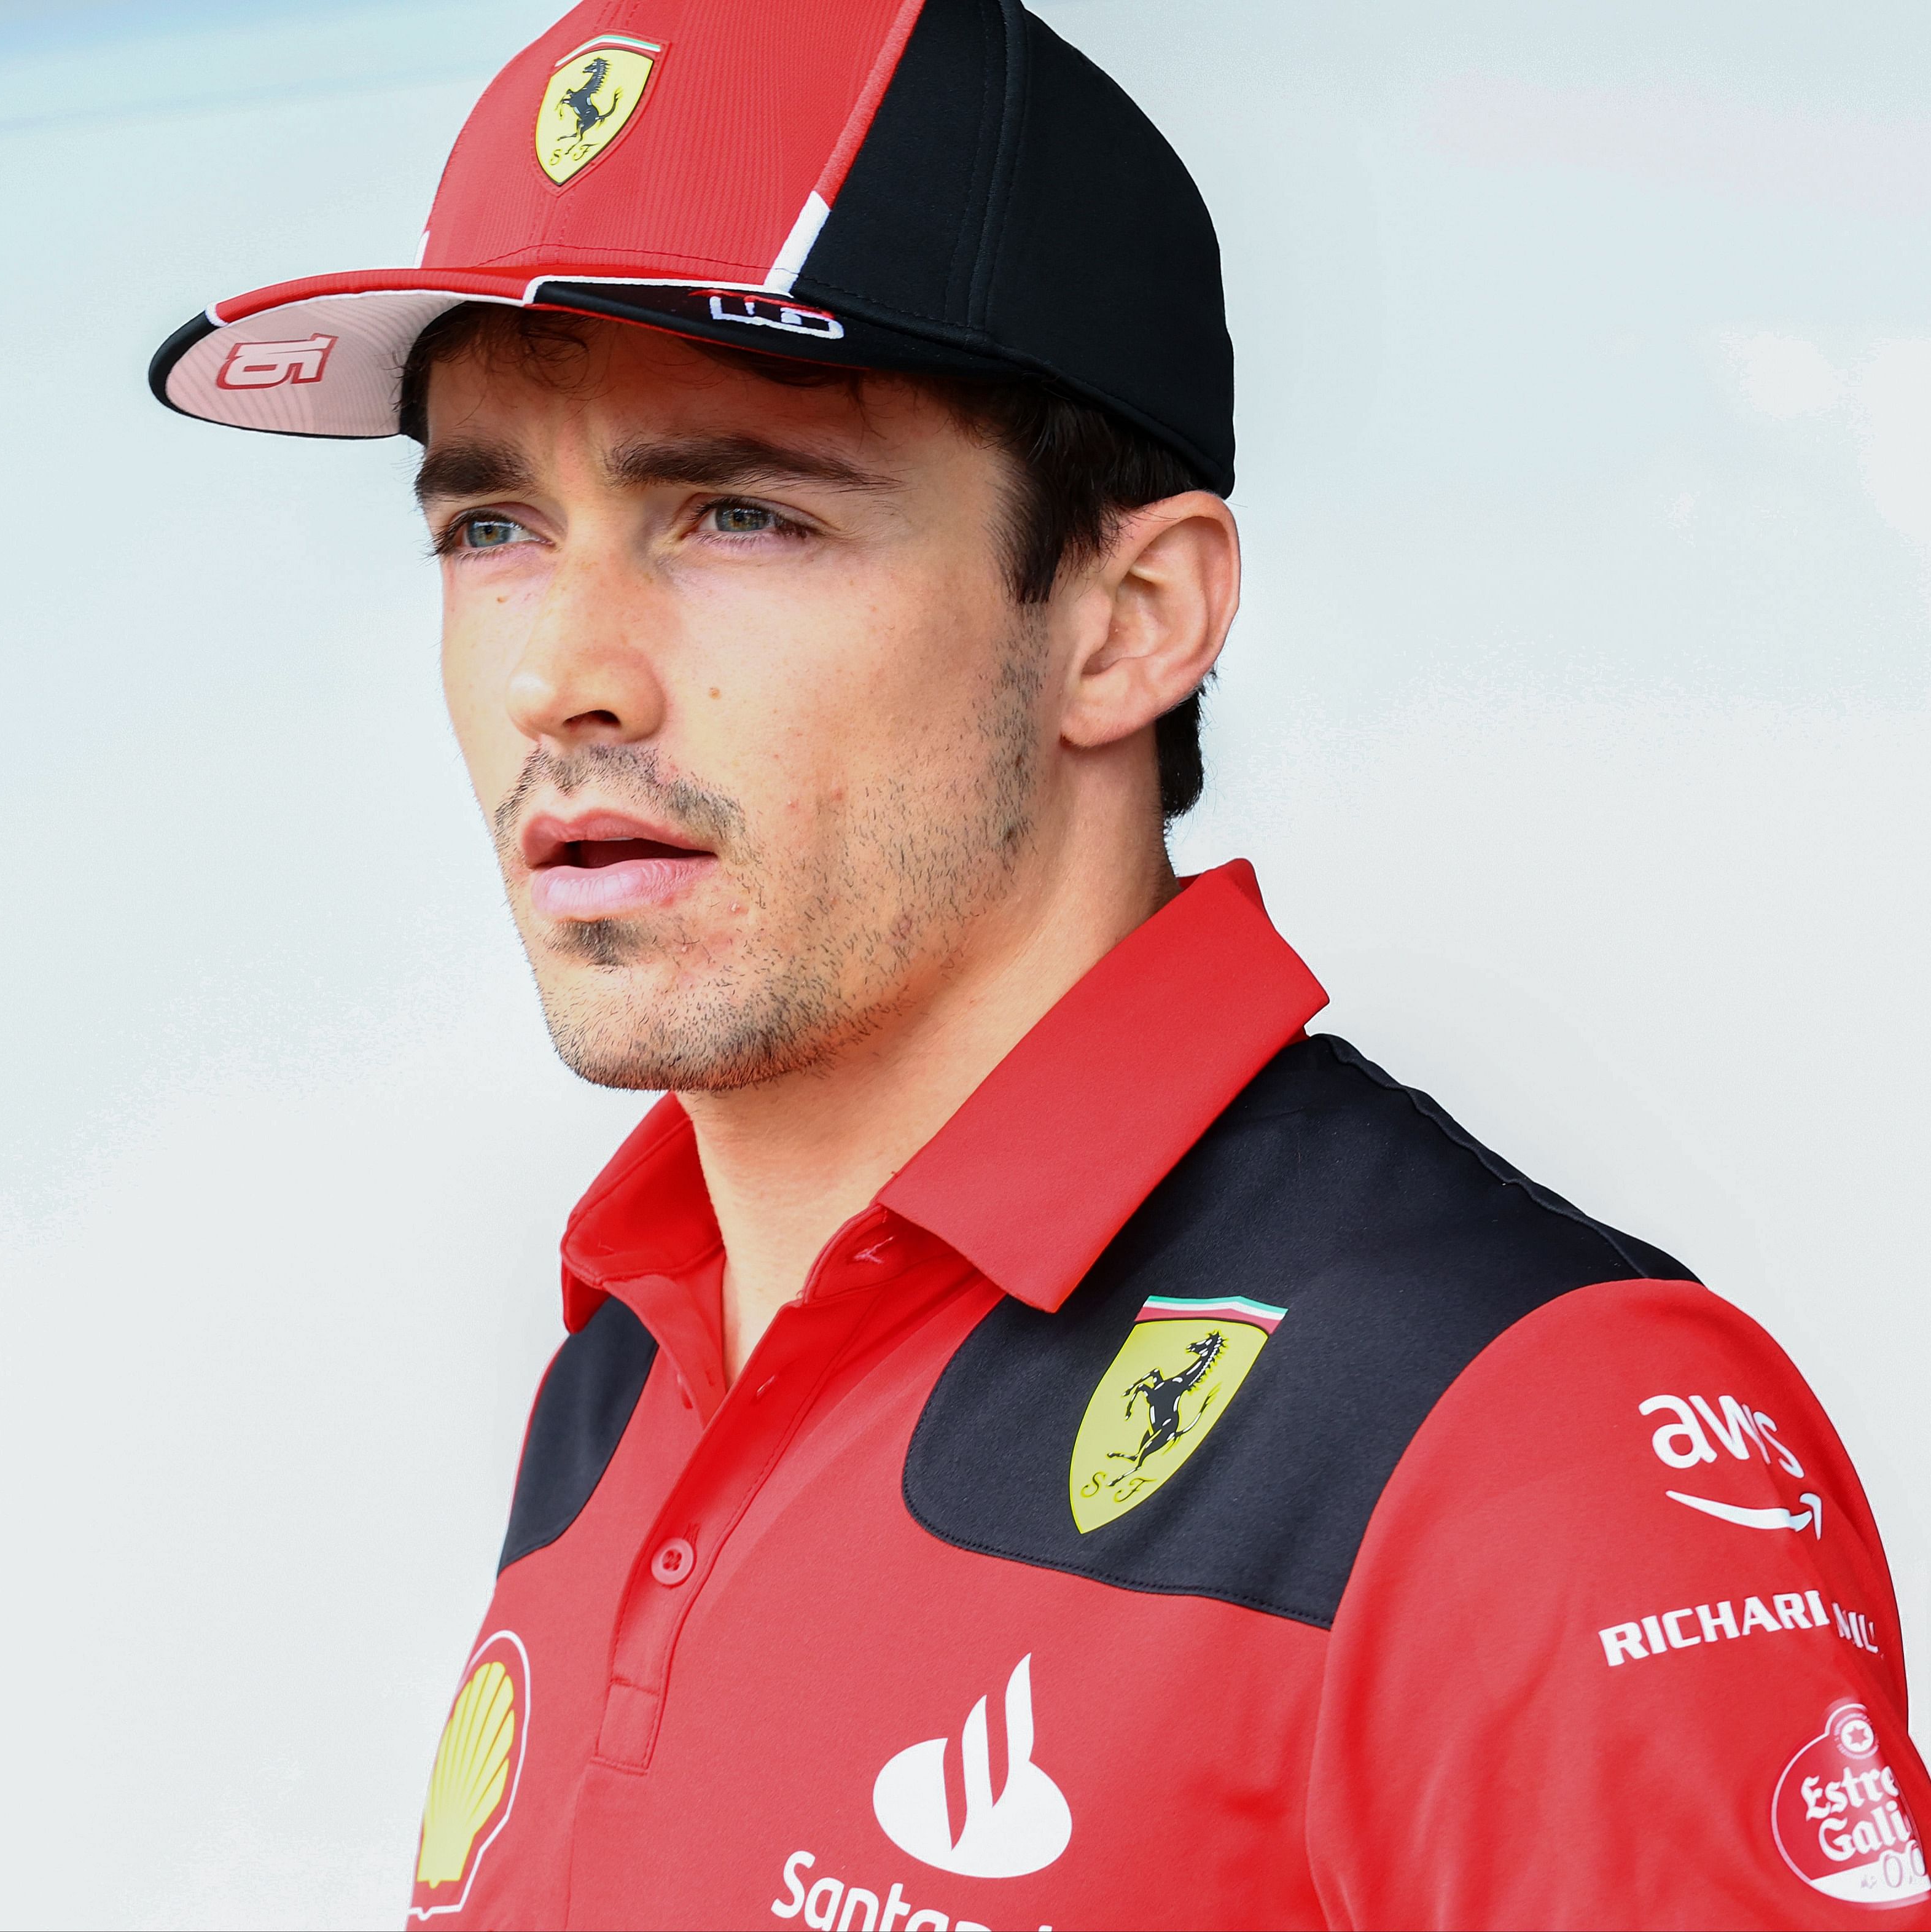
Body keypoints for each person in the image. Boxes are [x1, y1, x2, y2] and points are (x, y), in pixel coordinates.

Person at [151, 2, 1925, 1925]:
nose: (555, 671)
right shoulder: (628, 1356)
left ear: (1125, 620)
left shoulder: (1524, 1440)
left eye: (738, 511)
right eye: (492, 524)